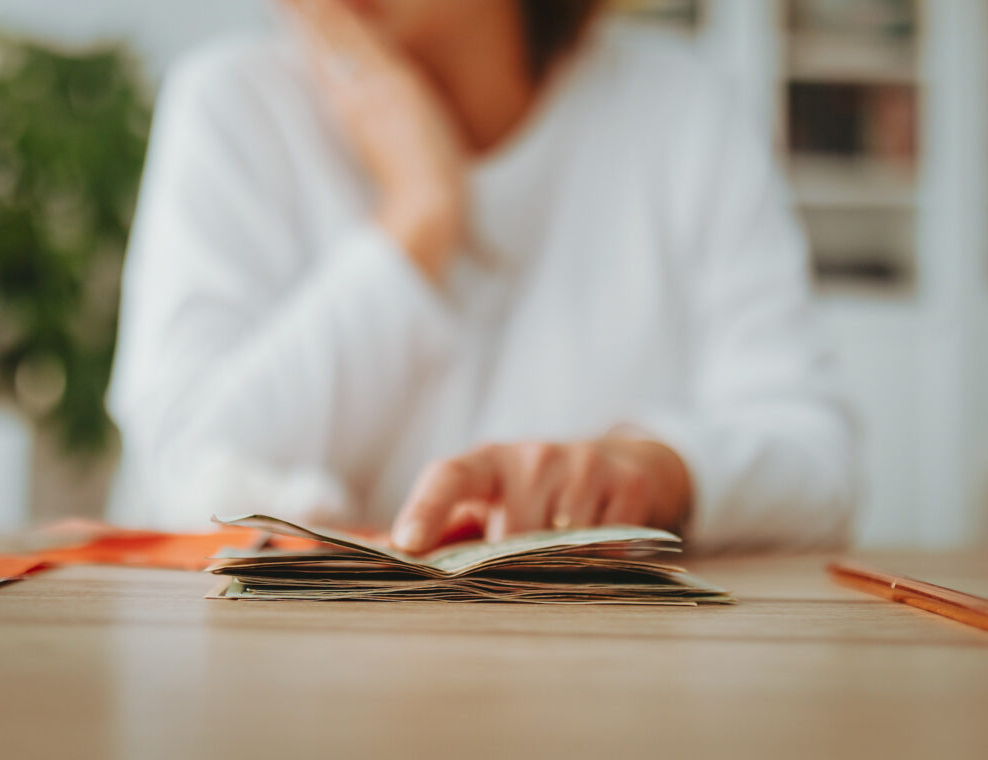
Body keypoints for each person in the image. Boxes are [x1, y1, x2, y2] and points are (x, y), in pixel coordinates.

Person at [107, 0, 855, 554]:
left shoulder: (686, 112)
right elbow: (177, 462)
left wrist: (650, 471)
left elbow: (818, 463)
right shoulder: (232, 104)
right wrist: (420, 215)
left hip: (601, 689)